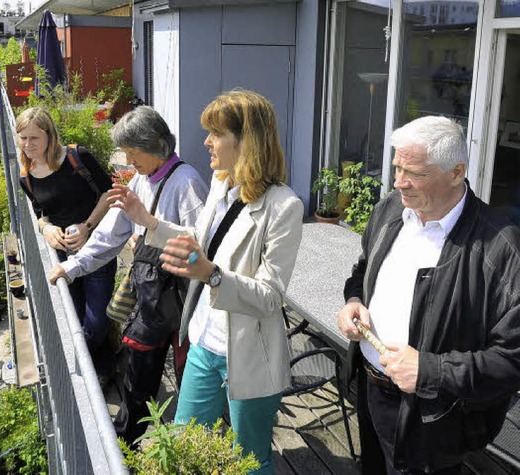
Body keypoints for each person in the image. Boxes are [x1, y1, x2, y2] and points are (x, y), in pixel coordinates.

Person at [109, 90, 304, 474]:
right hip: (202, 340)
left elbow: (269, 296)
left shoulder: (284, 207)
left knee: (249, 461)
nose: (206, 142)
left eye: (216, 133)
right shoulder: (220, 184)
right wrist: (148, 221)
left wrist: (211, 274)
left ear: (245, 141)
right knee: (182, 444)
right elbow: (198, 241)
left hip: (247, 355)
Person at [337, 116, 520, 474]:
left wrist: (431, 371)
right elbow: (362, 271)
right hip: (370, 391)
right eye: (397, 168)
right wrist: (354, 301)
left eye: (415, 173)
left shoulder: (500, 247)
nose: (399, 182)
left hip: (435, 420)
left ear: (456, 172)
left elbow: (512, 360)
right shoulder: (391, 209)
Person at [48, 105, 208, 445]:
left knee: (186, 378)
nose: (129, 162)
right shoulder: (141, 179)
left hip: (182, 302)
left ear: (158, 146)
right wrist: (72, 267)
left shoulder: (187, 182)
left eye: (134, 154)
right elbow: (108, 235)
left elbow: (200, 247)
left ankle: (186, 445)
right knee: (138, 373)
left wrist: (150, 234)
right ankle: (126, 444)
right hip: (152, 299)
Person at [16, 107, 117, 383]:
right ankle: (103, 367)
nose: (28, 145)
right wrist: (46, 227)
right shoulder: (26, 175)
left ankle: (89, 370)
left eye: (34, 138)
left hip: (96, 248)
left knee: (95, 320)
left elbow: (110, 193)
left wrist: (87, 226)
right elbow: (39, 212)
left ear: (50, 135)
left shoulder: (76, 157)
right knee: (77, 314)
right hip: (62, 255)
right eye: (22, 138)